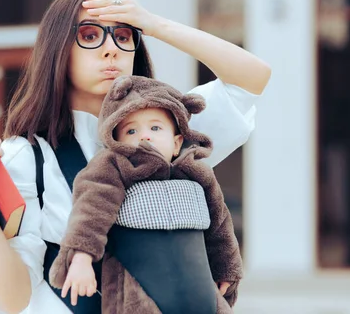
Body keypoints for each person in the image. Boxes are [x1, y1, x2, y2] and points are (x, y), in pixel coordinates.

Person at [0, 0, 271, 314]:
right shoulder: (28, 156)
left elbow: (252, 79)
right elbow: (13, 297)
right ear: (57, 49)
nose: (111, 50)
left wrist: (152, 24)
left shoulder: (164, 131)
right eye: (89, 35)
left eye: (123, 35)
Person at [48, 75, 243, 314]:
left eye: (155, 127)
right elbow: (91, 208)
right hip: (138, 296)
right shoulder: (114, 166)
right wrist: (80, 257)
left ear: (176, 142)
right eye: (131, 130)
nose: (144, 135)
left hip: (201, 295)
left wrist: (226, 268)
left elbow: (220, 224)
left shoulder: (196, 173)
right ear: (116, 142)